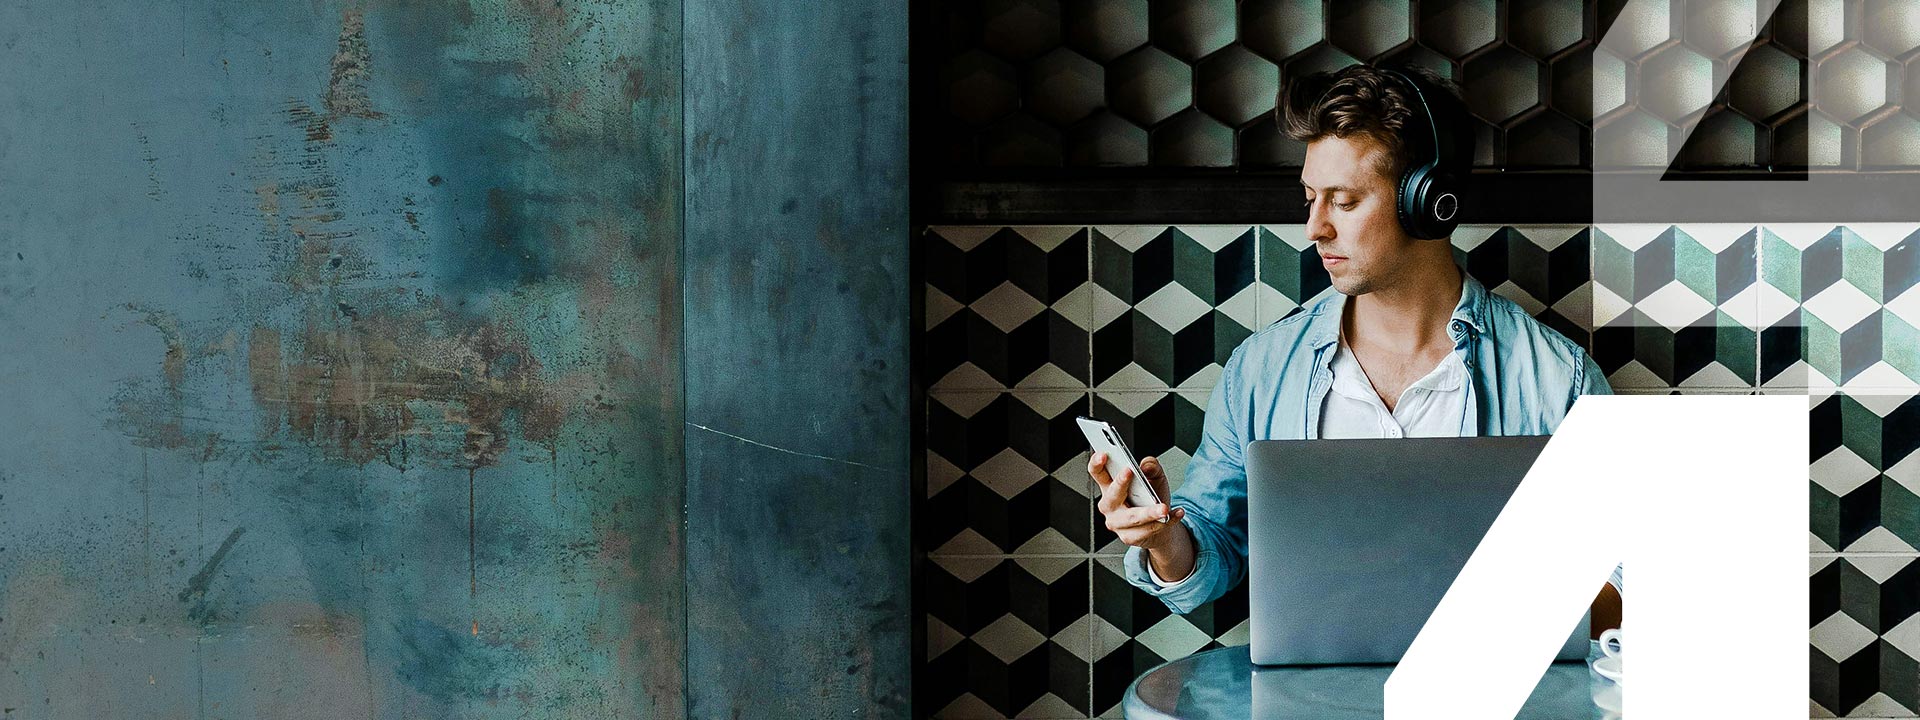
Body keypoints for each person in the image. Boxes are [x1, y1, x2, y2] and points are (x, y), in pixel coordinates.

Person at [1086, 63, 1624, 652]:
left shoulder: (1557, 379)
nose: (1314, 227)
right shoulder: (1261, 371)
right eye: (1311, 197)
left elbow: (1627, 585)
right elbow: (1214, 563)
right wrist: (1163, 538)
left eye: (1343, 201)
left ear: (1430, 202)